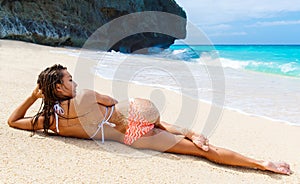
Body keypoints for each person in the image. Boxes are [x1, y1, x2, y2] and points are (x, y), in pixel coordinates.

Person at [7, 64, 291, 175]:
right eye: (69, 79)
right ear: (58, 88)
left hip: (126, 135)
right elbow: (112, 102)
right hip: (136, 135)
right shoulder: (86, 96)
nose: (74, 81)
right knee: (205, 151)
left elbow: (12, 120)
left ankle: (183, 130)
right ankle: (260, 163)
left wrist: (34, 97)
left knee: (150, 122)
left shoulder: (48, 122)